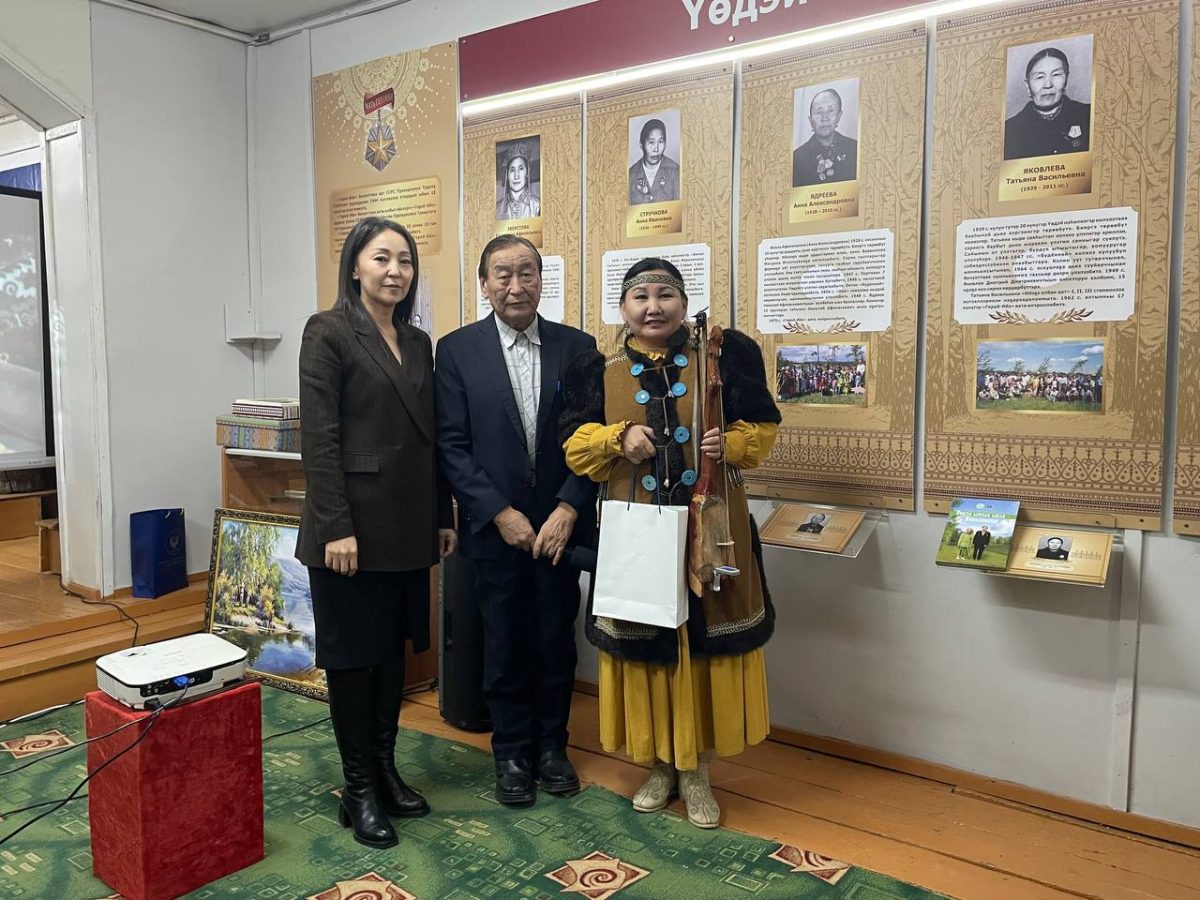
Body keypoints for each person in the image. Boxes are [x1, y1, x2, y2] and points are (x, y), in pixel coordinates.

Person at [559, 258, 781, 829]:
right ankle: (661, 764)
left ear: (683, 303)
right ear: (623, 308)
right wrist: (616, 438)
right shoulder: (596, 369)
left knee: (702, 645)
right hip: (638, 532)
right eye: (640, 297)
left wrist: (730, 444)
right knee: (649, 644)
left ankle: (697, 769)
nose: (653, 307)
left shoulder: (725, 353)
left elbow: (762, 428)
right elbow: (573, 445)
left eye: (665, 295)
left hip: (713, 529)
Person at [296, 216, 457, 849]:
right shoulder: (327, 331)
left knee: (392, 656)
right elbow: (320, 439)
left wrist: (442, 515)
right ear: (356, 266)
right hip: (351, 532)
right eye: (382, 258)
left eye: (405, 260)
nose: (395, 271)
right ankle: (358, 788)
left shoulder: (418, 342)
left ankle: (386, 770)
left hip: (407, 526)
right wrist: (335, 526)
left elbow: (429, 438)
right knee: (352, 659)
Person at [435, 234, 598, 808]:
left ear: (541, 280)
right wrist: (500, 513)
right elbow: (452, 446)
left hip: (559, 527)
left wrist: (569, 507)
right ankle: (509, 753)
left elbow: (592, 441)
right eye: (502, 275)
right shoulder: (457, 351)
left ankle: (553, 748)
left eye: (527, 273)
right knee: (502, 642)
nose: (515, 285)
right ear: (484, 284)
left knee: (555, 640)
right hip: (494, 528)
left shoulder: (578, 347)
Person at [1003, 47, 1091, 160]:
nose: (1048, 85)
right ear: (1027, 85)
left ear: (1066, 78)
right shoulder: (1009, 130)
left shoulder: (1089, 115)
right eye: (1040, 77)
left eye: (1056, 75)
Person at [792, 88, 858, 187]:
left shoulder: (855, 149)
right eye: (819, 112)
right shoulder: (796, 159)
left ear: (839, 116)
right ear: (810, 120)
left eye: (830, 111)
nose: (824, 118)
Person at [628, 118, 680, 205]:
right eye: (651, 142)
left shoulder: (676, 172)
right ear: (641, 144)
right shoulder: (631, 175)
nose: (656, 149)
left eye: (660, 141)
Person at [496, 142, 541, 220]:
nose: (516, 176)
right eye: (512, 170)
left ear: (527, 171)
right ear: (507, 174)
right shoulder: (497, 208)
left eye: (521, 169)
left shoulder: (538, 206)